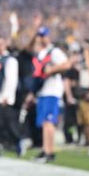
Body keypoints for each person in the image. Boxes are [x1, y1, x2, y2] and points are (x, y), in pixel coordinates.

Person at [29, 26, 71, 163]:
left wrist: (52, 69)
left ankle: (49, 152)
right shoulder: (41, 53)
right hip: (42, 91)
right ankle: (44, 149)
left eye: (44, 36)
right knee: (44, 122)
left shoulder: (55, 51)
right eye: (40, 36)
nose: (42, 38)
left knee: (49, 122)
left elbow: (66, 65)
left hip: (52, 91)